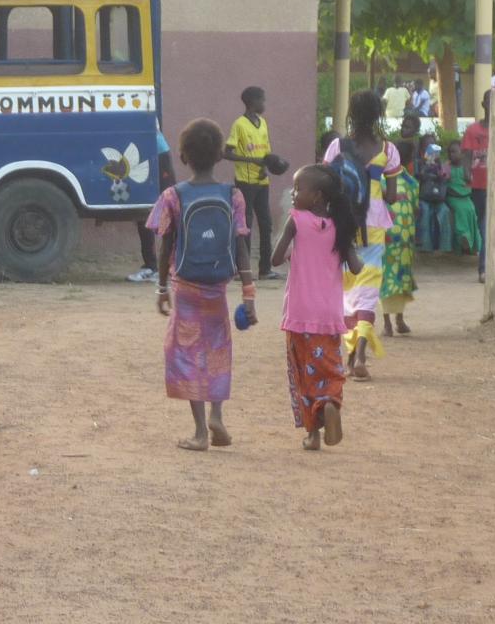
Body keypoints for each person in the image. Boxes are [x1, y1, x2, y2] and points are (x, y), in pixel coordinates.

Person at [149, 119, 254, 452]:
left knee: (185, 353)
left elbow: (165, 244)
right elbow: (241, 245)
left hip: (186, 289)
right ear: (221, 154)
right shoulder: (233, 195)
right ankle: (217, 415)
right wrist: (248, 292)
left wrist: (162, 287)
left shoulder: (172, 196)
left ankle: (198, 432)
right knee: (218, 351)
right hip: (218, 288)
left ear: (182, 156)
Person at [271, 164, 361, 451]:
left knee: (302, 373)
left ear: (318, 196)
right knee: (330, 368)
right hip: (329, 315)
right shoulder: (340, 226)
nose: (294, 194)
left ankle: (312, 434)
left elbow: (274, 259)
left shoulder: (296, 219)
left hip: (299, 314)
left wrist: (289, 246)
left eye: (299, 189)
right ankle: (330, 403)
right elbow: (357, 267)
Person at [323, 89, 399, 380]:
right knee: (367, 292)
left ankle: (349, 351)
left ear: (351, 114)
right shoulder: (388, 150)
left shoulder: (337, 147)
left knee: (345, 290)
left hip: (343, 226)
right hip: (375, 226)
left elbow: (326, 186)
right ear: (378, 114)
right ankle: (360, 354)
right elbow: (391, 197)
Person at [225, 86, 282, 280]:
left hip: (261, 180)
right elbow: (227, 153)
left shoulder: (263, 123)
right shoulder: (239, 124)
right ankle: (243, 269)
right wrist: (251, 161)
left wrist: (267, 165)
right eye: (262, 100)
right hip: (245, 181)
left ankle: (265, 269)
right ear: (252, 102)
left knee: (265, 223)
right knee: (245, 224)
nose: (264, 104)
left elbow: (266, 152)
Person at [128, 127, 176, 282]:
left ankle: (166, 268)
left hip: (158, 156)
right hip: (146, 156)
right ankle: (151, 266)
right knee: (144, 215)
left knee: (168, 212)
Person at [381, 140, 418, 336]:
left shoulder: (381, 179)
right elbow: (416, 209)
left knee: (386, 276)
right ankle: (399, 320)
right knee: (402, 276)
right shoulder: (412, 183)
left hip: (386, 236)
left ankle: (387, 324)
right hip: (405, 238)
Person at [463, 89, 492, 283]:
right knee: (484, 225)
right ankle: (483, 267)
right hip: (479, 185)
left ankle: (485, 268)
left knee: (488, 225)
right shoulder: (473, 131)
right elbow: (466, 154)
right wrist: (467, 173)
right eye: (490, 102)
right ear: (483, 105)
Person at [445, 140, 481, 256]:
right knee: (460, 210)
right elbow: (444, 184)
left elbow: (470, 183)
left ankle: (473, 244)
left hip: (465, 196)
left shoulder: (466, 168)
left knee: (471, 210)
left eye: (455, 152)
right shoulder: (447, 166)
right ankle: (463, 236)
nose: (452, 154)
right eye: (450, 152)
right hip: (453, 197)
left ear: (462, 153)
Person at [417, 143, 453, 253]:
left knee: (445, 212)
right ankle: (425, 247)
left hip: (439, 199)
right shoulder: (420, 164)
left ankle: (445, 247)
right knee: (425, 212)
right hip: (425, 198)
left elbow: (446, 178)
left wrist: (440, 173)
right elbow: (419, 178)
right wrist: (425, 171)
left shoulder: (443, 166)